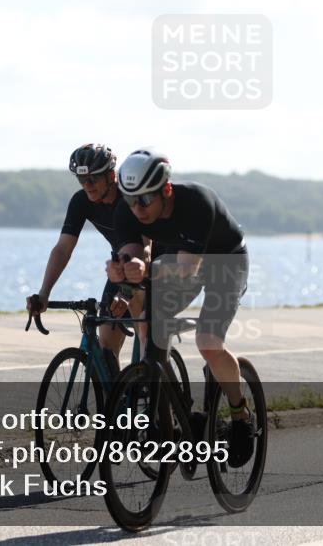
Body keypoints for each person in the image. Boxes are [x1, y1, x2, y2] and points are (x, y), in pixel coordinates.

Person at [106, 147, 255, 467]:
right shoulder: (127, 211)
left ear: (166, 190)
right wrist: (122, 270)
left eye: (145, 199)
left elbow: (187, 268)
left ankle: (240, 414)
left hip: (225, 263)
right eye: (130, 199)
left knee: (208, 342)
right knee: (148, 328)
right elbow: (134, 256)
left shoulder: (197, 203)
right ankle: (176, 417)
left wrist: (145, 270)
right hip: (176, 262)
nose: (137, 208)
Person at [27, 143, 133, 374]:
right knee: (106, 347)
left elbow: (145, 248)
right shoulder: (81, 201)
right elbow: (62, 249)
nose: (87, 185)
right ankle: (119, 395)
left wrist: (128, 292)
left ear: (111, 176)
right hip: (120, 267)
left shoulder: (129, 198)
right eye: (81, 179)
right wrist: (44, 293)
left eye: (93, 179)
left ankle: (155, 388)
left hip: (151, 263)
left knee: (149, 343)